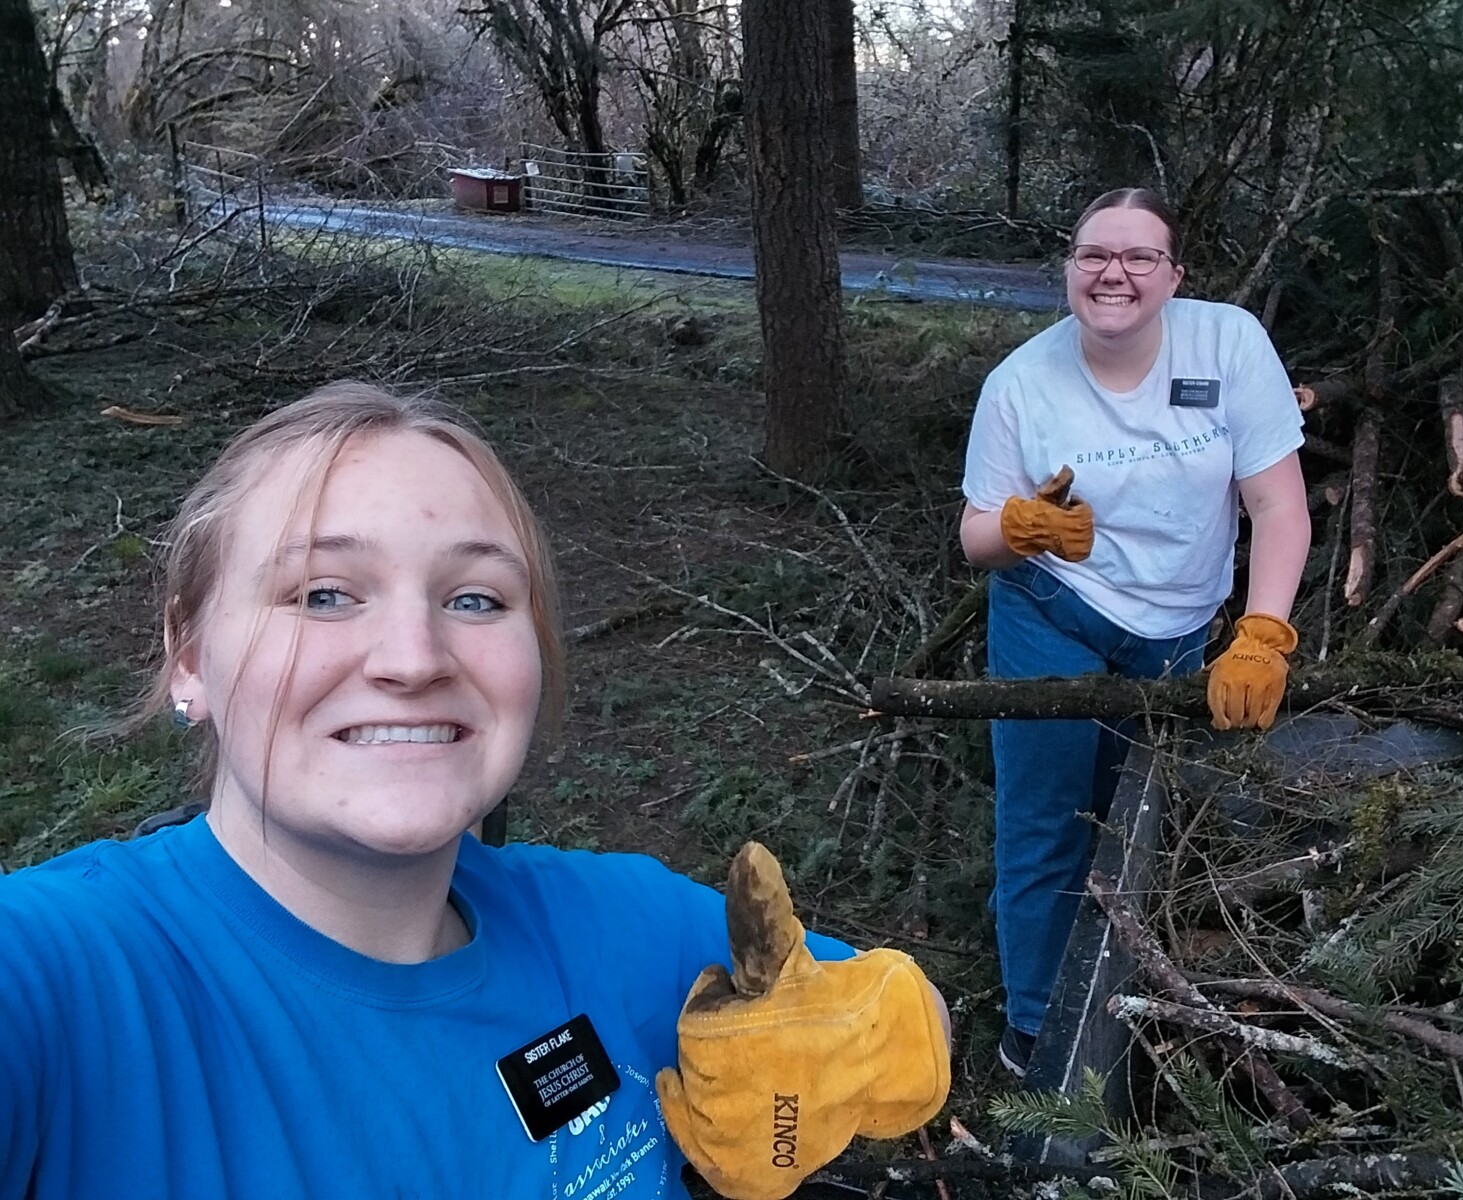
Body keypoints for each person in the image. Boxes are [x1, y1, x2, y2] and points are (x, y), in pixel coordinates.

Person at [0, 382, 949, 1199]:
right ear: (188, 654)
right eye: (324, 593)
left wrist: (840, 1053)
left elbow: (901, 1009)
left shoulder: (612, 923)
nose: (414, 659)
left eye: (475, 599)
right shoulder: (59, 979)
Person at [959, 188, 1312, 1076]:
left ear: (1173, 275)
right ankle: (1035, 1038)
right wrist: (1023, 526)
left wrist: (1262, 633)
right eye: (1093, 255)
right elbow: (973, 537)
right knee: (1046, 821)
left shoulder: (1228, 345)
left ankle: (1117, 999)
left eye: (1139, 256)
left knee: (1132, 820)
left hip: (1179, 631)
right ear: (1069, 267)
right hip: (1053, 613)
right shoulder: (1021, 384)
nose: (1113, 273)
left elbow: (1277, 506)